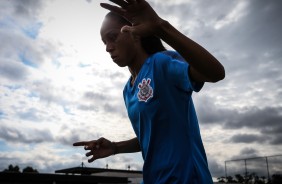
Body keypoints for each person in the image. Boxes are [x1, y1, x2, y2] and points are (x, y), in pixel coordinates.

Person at [73, 0, 225, 183]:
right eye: (104, 42)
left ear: (136, 34)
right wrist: (115, 147)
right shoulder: (127, 90)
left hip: (186, 178)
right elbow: (151, 135)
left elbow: (215, 73)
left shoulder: (161, 63)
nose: (107, 48)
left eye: (112, 37)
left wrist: (160, 26)